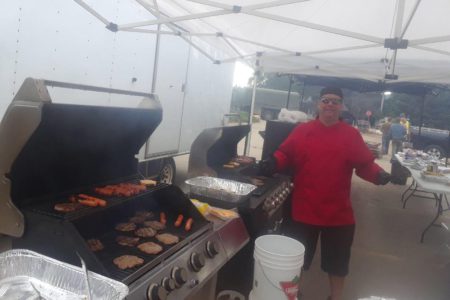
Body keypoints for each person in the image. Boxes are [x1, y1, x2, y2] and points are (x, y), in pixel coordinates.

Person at [260, 87, 391, 300]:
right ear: (318, 104)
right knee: (296, 260)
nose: (330, 104)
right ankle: (294, 294)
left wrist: (379, 175)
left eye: (335, 101)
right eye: (326, 100)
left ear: (341, 107)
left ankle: (336, 297)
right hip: (303, 209)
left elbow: (365, 165)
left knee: (338, 263)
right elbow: (285, 153)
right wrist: (273, 162)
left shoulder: (350, 135)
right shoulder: (303, 131)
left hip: (338, 213)